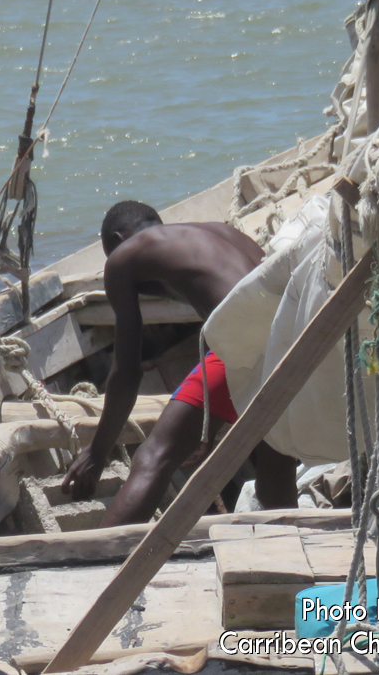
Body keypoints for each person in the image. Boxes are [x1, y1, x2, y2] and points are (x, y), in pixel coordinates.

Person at [61, 200, 299, 525]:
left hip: (250, 341)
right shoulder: (225, 232)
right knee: (276, 472)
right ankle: (293, 559)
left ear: (119, 238)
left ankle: (100, 566)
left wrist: (98, 452)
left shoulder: (124, 256)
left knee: (154, 457)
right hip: (298, 338)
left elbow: (126, 372)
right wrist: (206, 431)